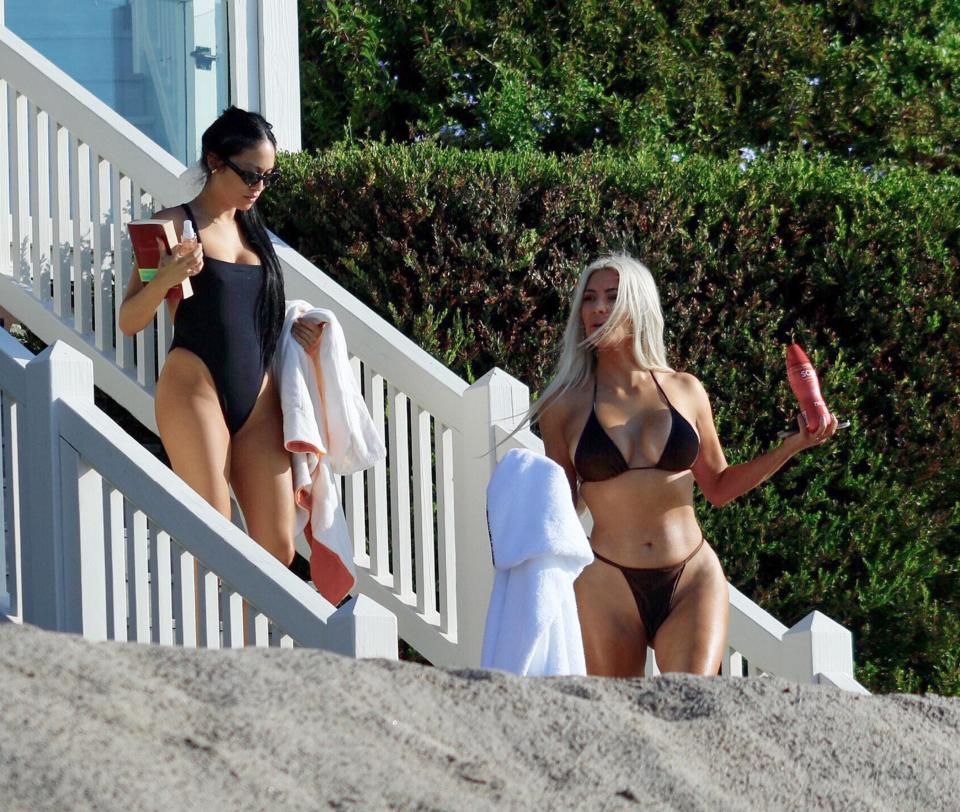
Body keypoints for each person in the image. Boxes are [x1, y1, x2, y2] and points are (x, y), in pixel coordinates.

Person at [535, 254, 838, 676]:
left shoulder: (685, 389)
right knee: (620, 719)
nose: (598, 308)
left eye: (611, 296)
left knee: (692, 708)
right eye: (589, 299)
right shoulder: (562, 407)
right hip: (608, 583)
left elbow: (718, 486)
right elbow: (562, 509)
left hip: (692, 577)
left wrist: (791, 447)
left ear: (638, 306)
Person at [119, 106, 321, 571]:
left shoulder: (255, 232)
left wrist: (295, 330)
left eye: (268, 176)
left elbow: (248, 313)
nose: (259, 187)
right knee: (212, 531)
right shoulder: (170, 226)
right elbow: (130, 320)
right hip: (195, 387)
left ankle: (252, 646)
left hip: (258, 398)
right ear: (215, 161)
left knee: (277, 548)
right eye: (250, 174)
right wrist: (164, 277)